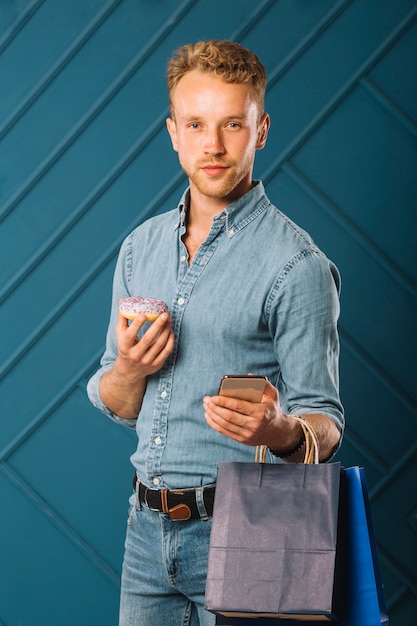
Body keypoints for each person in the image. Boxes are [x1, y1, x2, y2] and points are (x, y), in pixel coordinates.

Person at [87, 39, 344, 626]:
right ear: (173, 131)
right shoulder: (139, 249)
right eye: (197, 124)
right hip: (145, 532)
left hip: (254, 525)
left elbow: (325, 424)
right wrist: (129, 370)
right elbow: (116, 400)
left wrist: (280, 430)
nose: (214, 144)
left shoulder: (298, 265)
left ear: (261, 129)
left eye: (233, 123)